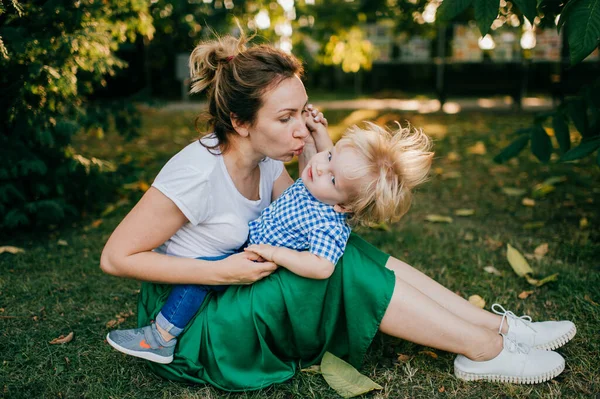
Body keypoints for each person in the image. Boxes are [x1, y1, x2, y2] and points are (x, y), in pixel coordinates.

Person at [100, 30, 576, 390]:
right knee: (338, 266)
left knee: (345, 244)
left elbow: (307, 209)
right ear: (240, 122)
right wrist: (224, 273)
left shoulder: (267, 160)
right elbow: (117, 258)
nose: (301, 132)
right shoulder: (196, 174)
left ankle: (499, 328)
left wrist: (335, 165)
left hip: (235, 284)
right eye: (285, 119)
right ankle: (483, 350)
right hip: (189, 318)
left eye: (302, 113)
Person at [106, 120, 434, 364]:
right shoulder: (320, 189)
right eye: (329, 156)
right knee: (203, 275)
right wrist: (322, 137)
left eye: (331, 176)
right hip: (254, 247)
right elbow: (320, 166)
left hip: (259, 263)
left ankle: (161, 337)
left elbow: (321, 266)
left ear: (343, 207)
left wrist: (278, 254)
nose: (320, 168)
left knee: (199, 278)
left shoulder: (328, 223)